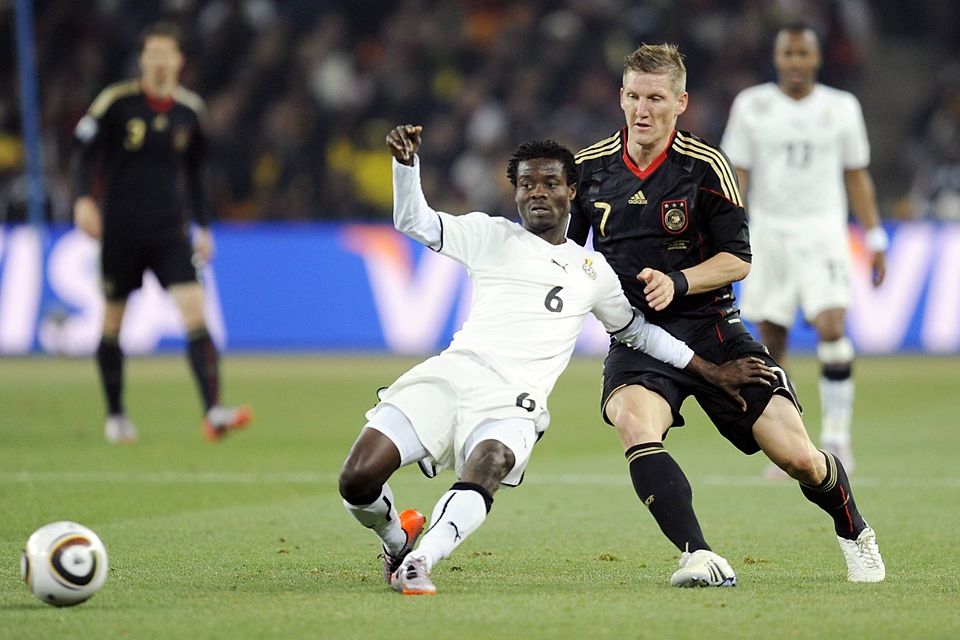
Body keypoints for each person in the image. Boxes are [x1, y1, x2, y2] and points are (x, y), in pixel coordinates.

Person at [338, 124, 776, 596]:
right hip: (450, 377)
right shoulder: (488, 235)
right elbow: (414, 222)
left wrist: (710, 371)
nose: (537, 193)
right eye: (527, 184)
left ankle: (421, 561)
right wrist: (406, 167)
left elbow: (637, 333)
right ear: (515, 192)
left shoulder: (592, 271)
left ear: (572, 191)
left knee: (490, 463)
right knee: (357, 479)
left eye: (550, 183)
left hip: (513, 402)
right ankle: (397, 539)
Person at [567, 43, 885, 586]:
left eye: (656, 98)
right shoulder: (589, 169)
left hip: (712, 331)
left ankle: (855, 531)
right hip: (640, 338)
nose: (642, 110)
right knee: (634, 423)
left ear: (680, 102)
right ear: (620, 97)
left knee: (799, 458)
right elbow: (567, 257)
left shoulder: (706, 166)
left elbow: (738, 259)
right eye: (634, 97)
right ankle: (699, 555)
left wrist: (678, 281)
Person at [71, 21, 251, 444]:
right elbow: (83, 152)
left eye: (167, 53)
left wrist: (203, 226)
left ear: (180, 60)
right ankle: (116, 414)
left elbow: (197, 174)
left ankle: (213, 411)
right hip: (121, 231)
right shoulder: (116, 102)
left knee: (195, 313)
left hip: (170, 232)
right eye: (152, 53)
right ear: (142, 59)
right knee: (113, 322)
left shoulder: (190, 110)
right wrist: (82, 200)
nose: (159, 61)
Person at [720, 23, 888, 475]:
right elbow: (737, 175)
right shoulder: (752, 105)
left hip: (823, 233)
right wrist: (727, 232)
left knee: (832, 325)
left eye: (803, 53)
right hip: (769, 234)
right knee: (771, 339)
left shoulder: (841, 107)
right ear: (777, 58)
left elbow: (856, 174)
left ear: (816, 58)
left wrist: (875, 237)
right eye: (788, 54)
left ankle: (836, 436)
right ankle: (789, 443)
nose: (795, 62)